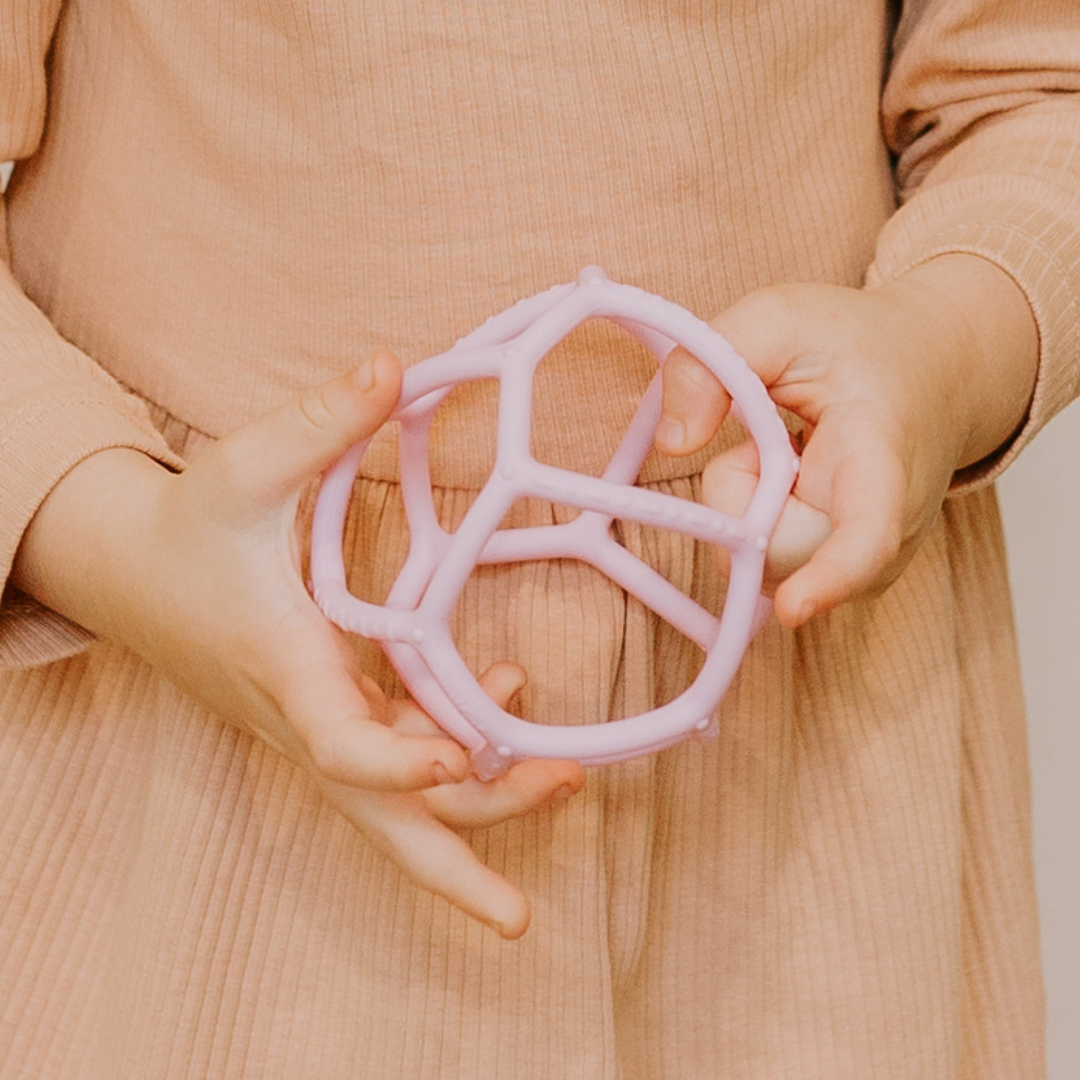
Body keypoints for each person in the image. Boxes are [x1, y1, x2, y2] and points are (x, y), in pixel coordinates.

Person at [1, 1, 1077, 1076]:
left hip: (811, 774)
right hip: (185, 721)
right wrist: (119, 534)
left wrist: (947, 340)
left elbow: (1043, 88)